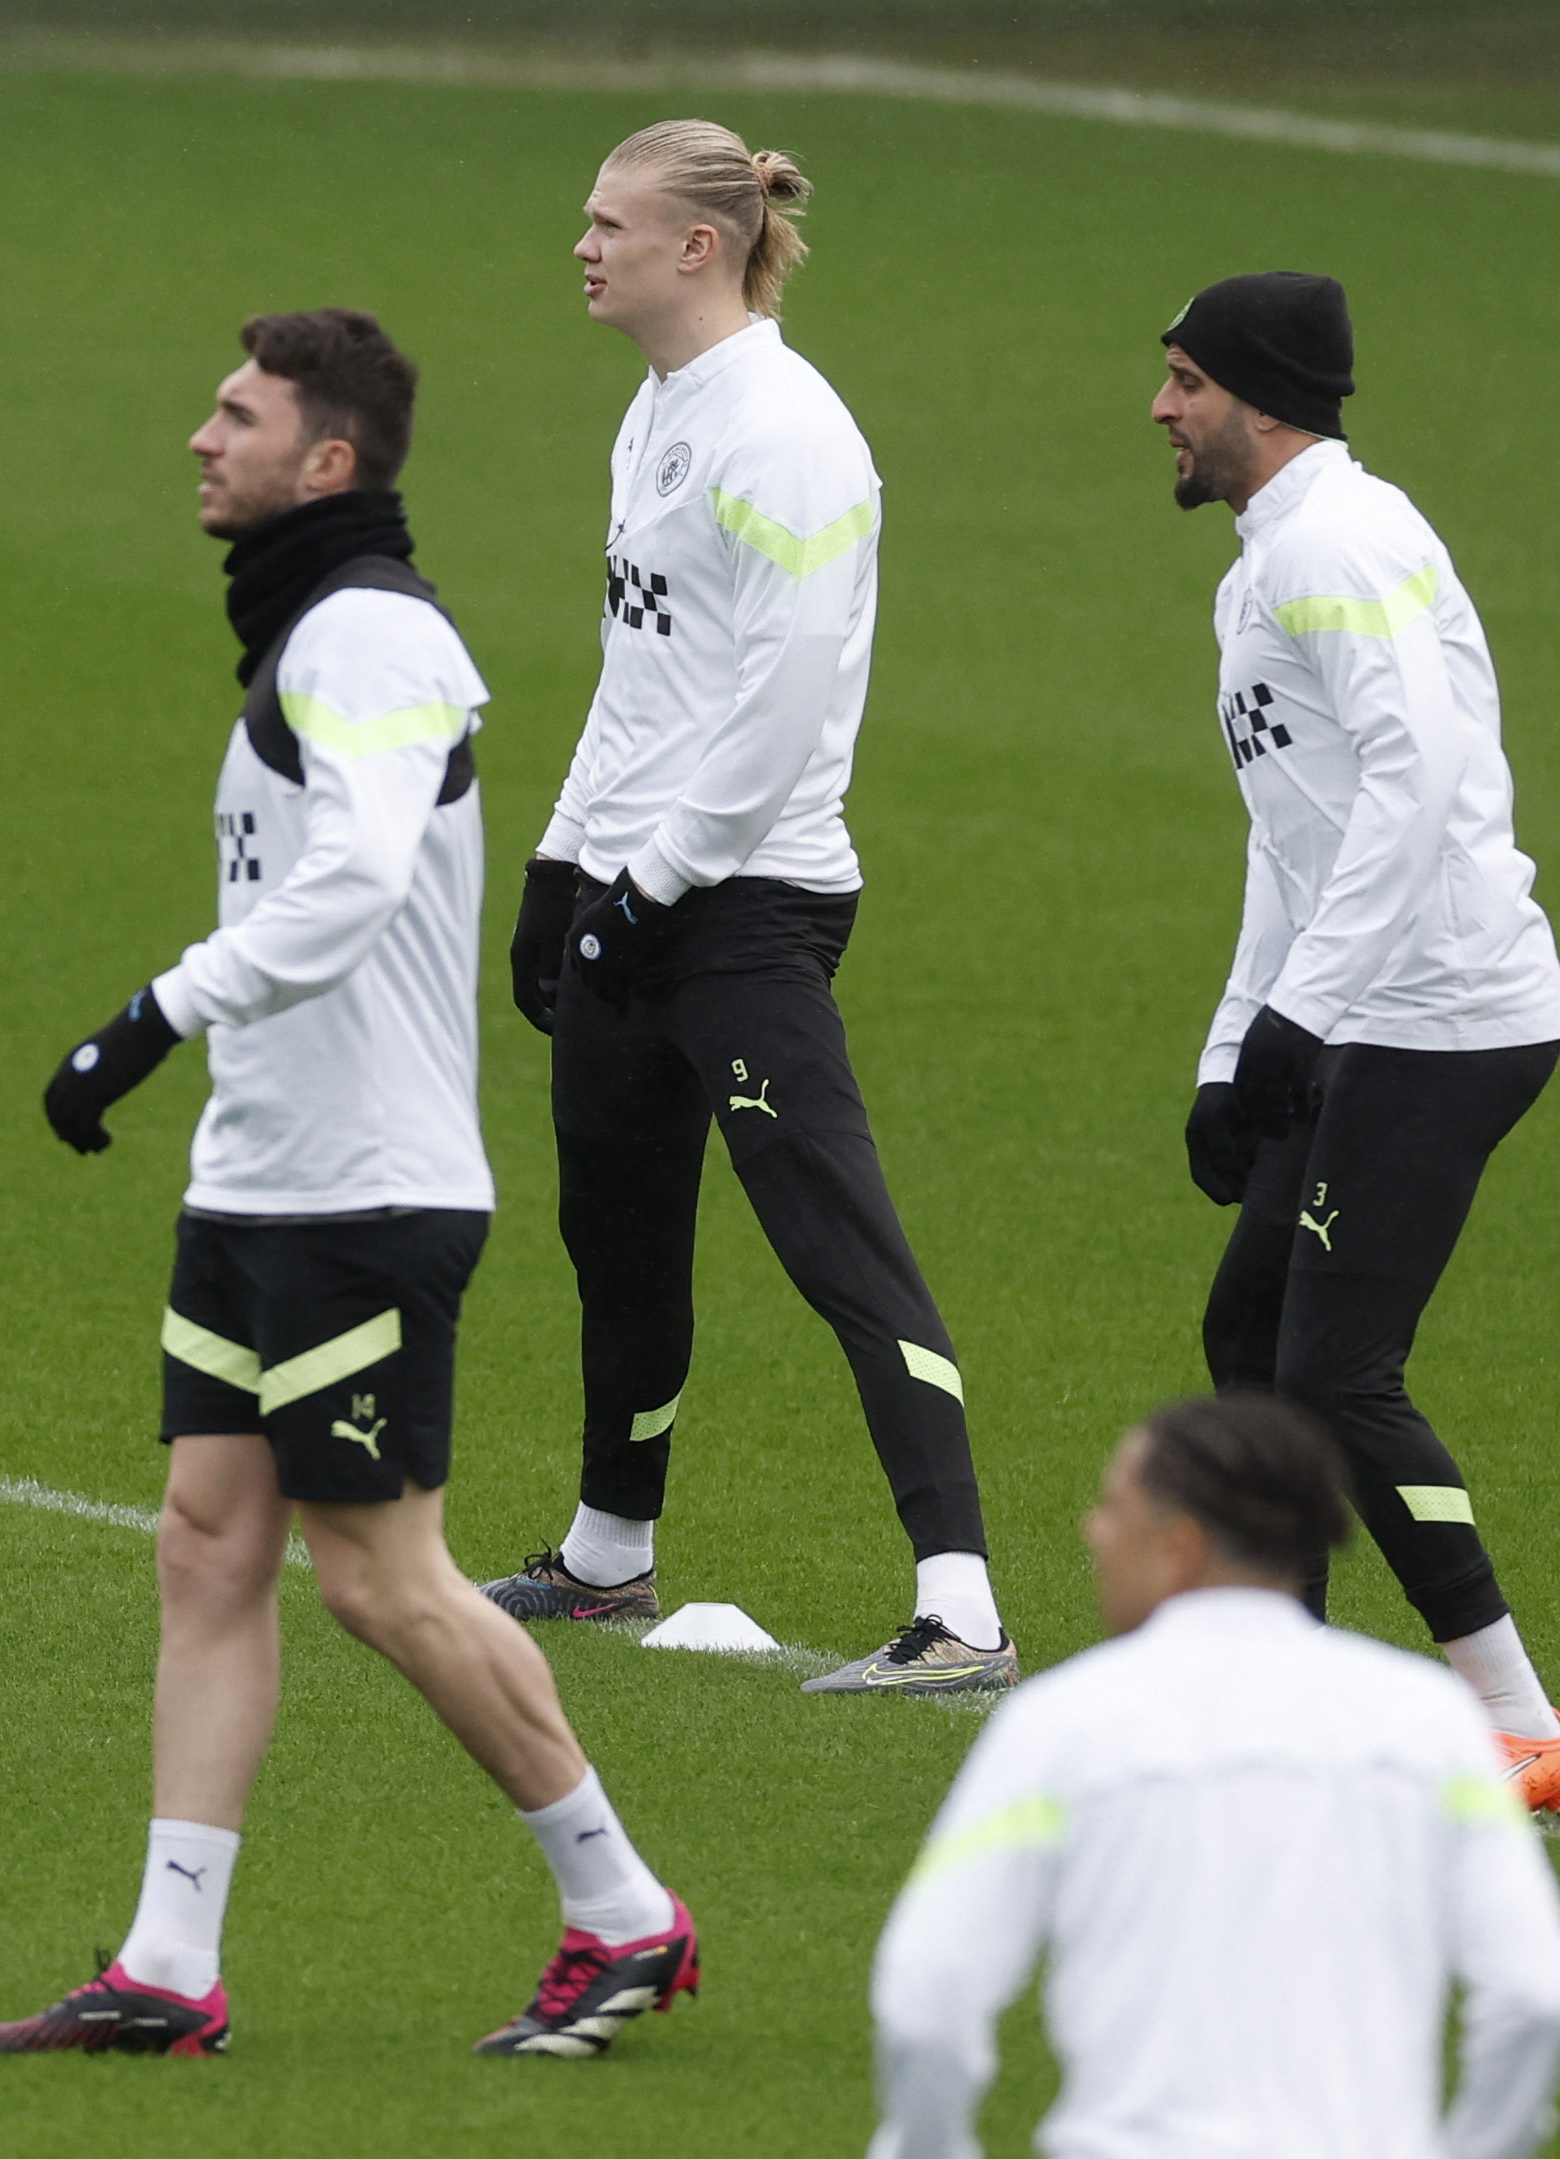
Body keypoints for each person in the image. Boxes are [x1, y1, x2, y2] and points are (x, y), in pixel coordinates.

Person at [0, 311, 697, 2061]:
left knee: (380, 1578)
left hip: (364, 1190)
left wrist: (157, 1010)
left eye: (237, 415)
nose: (199, 438)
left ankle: (621, 1910)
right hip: (262, 1183)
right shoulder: (308, 626)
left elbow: (360, 867)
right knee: (208, 1546)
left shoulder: (364, 635)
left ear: (328, 460)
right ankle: (163, 1962)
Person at [481, 120, 1011, 1696]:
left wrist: (650, 879)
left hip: (748, 901)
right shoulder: (657, 412)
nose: (581, 244)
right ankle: (605, 1554)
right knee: (616, 1228)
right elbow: (641, 675)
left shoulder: (782, 430)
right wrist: (560, 865)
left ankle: (963, 1605)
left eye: (606, 222)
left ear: (695, 246)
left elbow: (783, 697)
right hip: (633, 889)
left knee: (833, 1235)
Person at [1153, 272, 1560, 1811]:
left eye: (1186, 380)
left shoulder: (1341, 544)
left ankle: (1521, 1722)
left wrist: (1306, 1014)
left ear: (1261, 401)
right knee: (1250, 1340)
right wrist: (1232, 1047)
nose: (1161, 409)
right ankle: (1287, 1705)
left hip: (1443, 1016)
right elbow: (1299, 840)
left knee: (1333, 1368)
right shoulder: (1267, 564)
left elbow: (1413, 781)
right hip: (1367, 1011)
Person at [867, 1394, 1560, 2158]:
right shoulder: (1428, 1721)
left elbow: (929, 1990)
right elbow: (1533, 1992)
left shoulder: (1064, 1725)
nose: (1092, 1530)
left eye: (1113, 1507)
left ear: (1179, 1545)